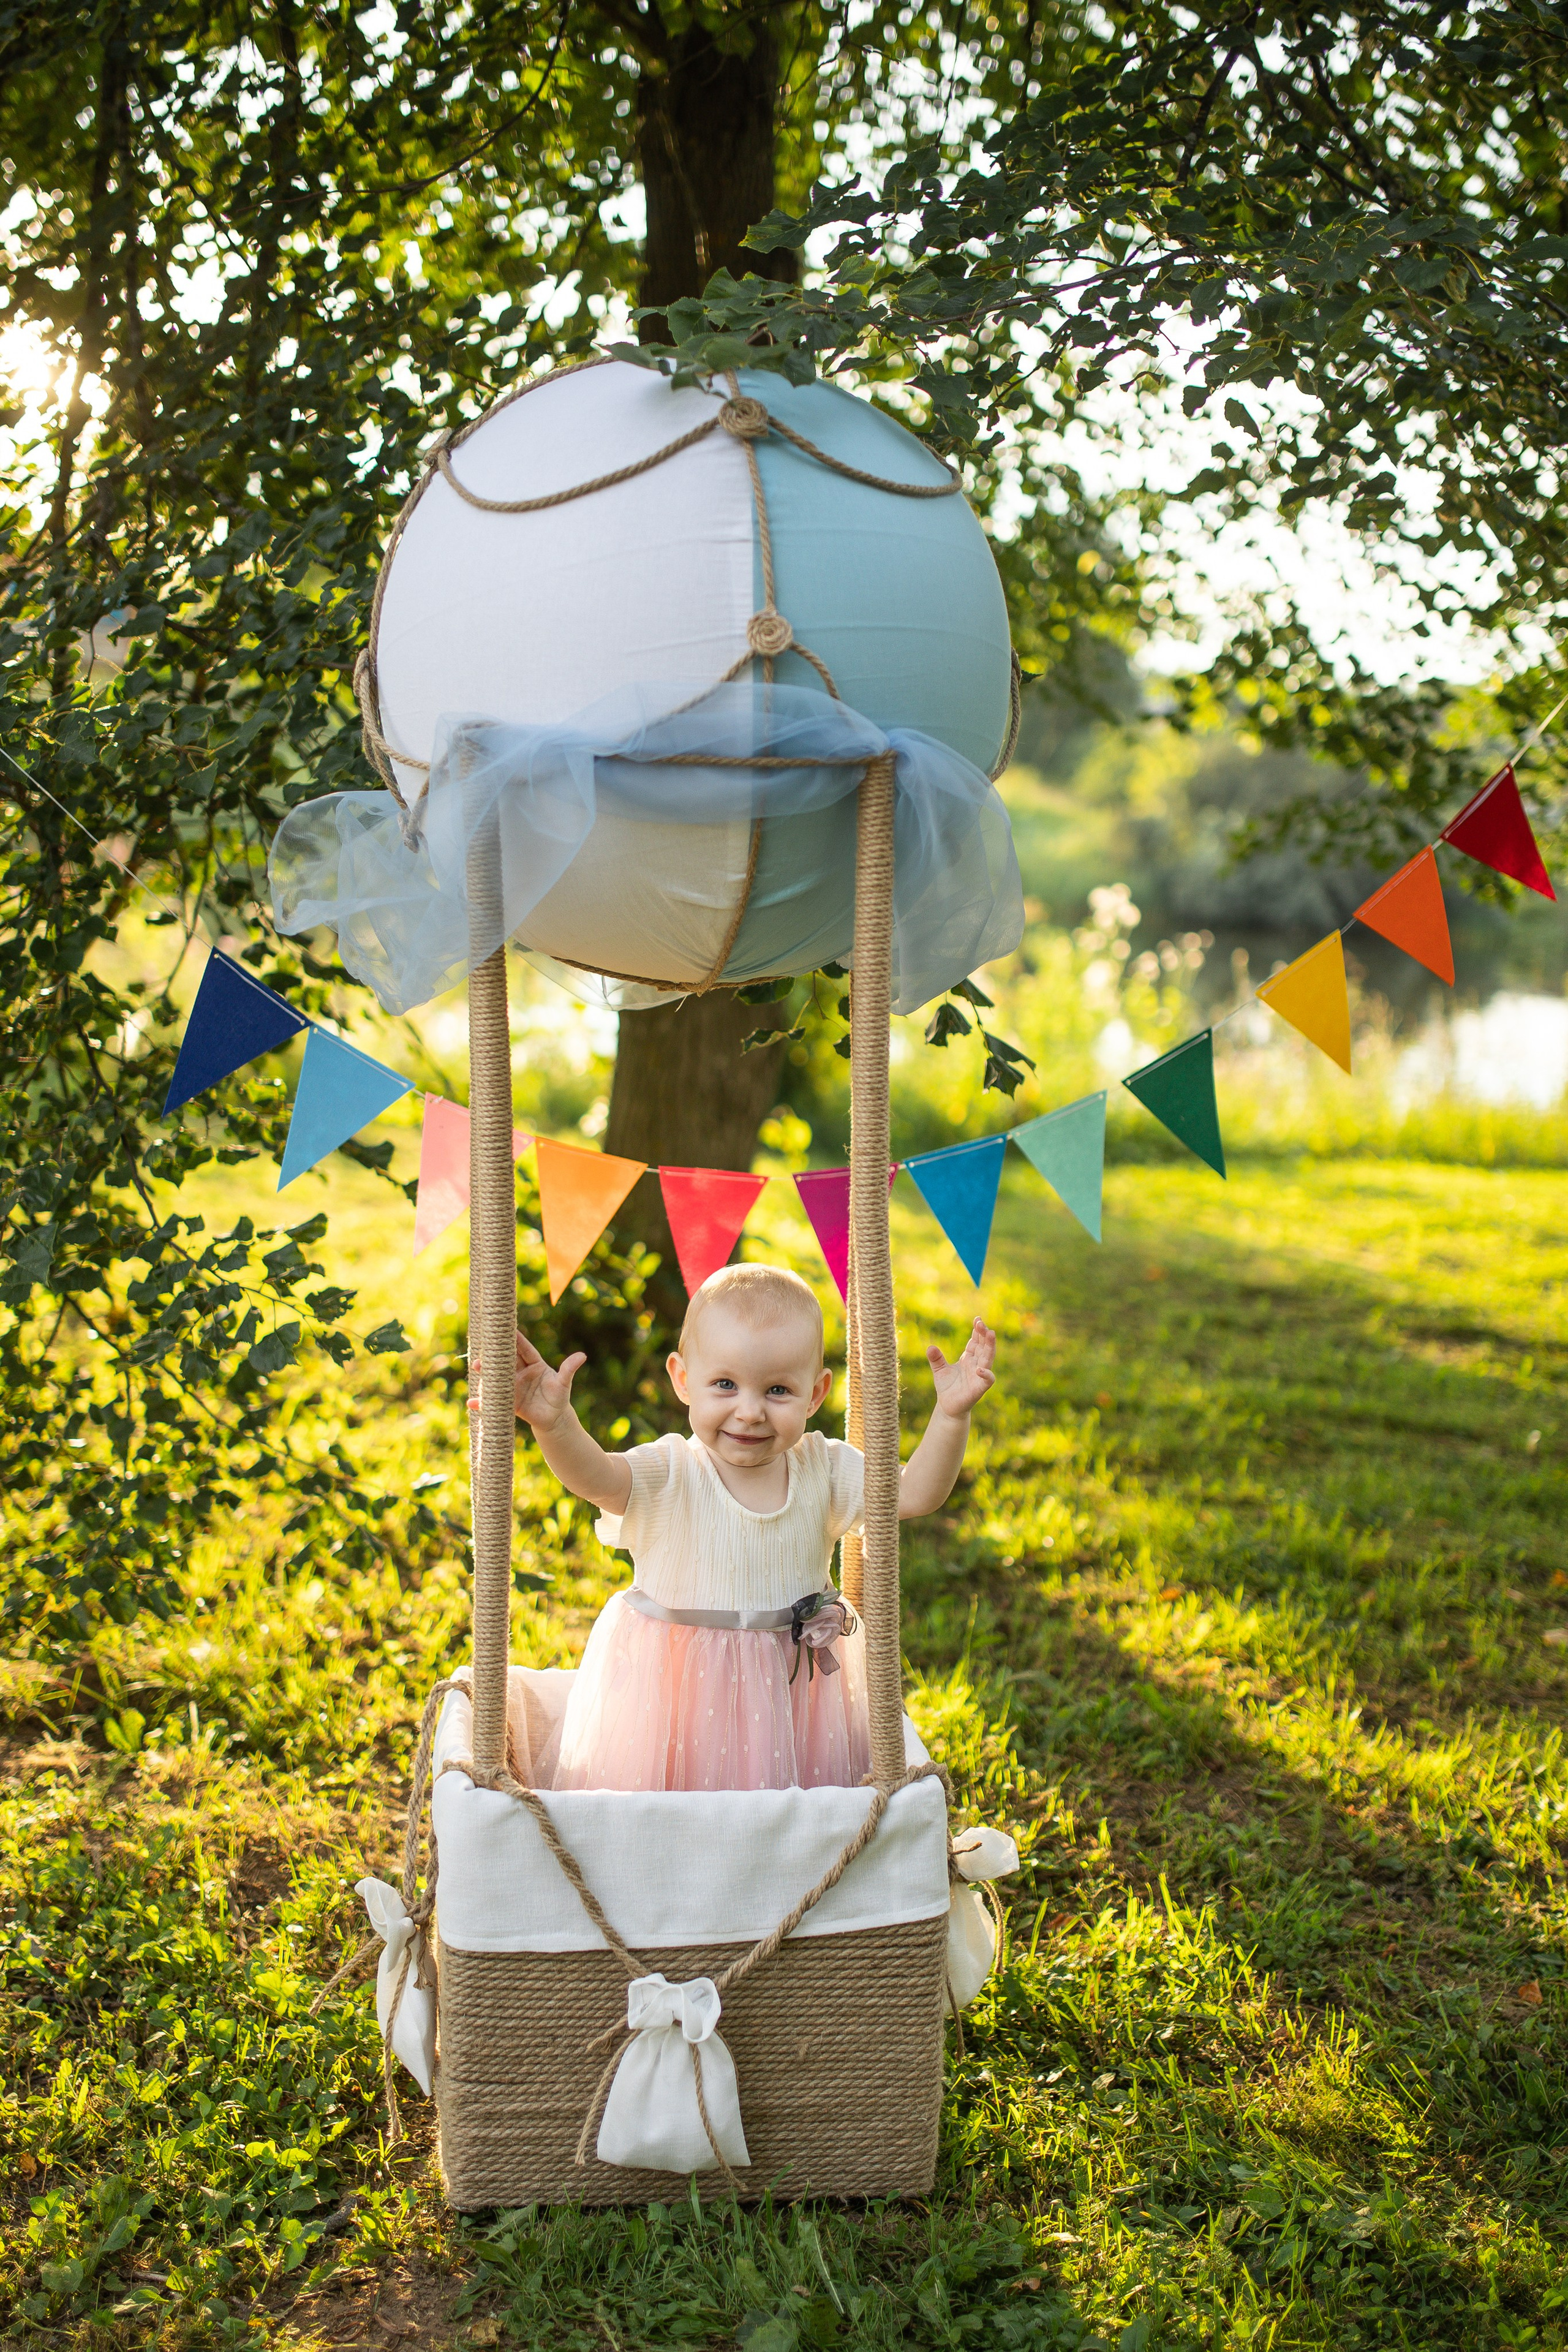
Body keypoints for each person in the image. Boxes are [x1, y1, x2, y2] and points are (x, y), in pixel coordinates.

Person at [505, 1262, 997, 1793]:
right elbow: (595, 1477)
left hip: (793, 1703)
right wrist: (554, 1425)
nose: (750, 1411)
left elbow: (915, 1494)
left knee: (787, 1815)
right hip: (674, 1699)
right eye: (725, 1384)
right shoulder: (671, 1471)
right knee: (668, 1807)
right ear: (683, 1379)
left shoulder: (824, 1469)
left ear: (815, 1394)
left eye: (778, 1391)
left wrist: (951, 1417)